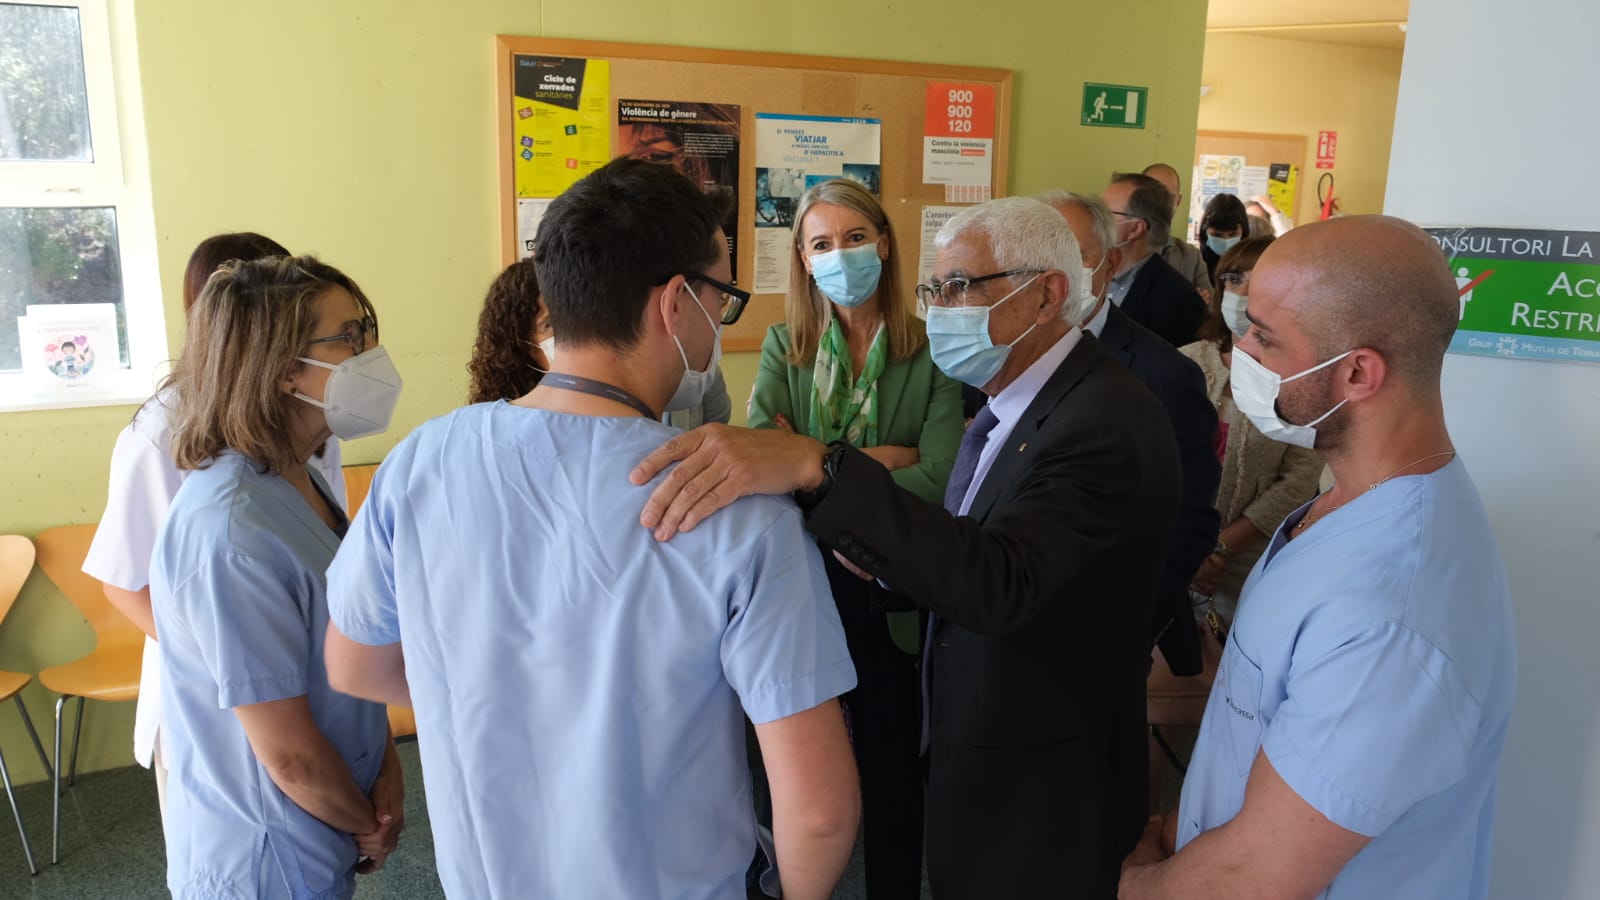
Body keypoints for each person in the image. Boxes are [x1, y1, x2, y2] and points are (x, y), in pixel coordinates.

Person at [323, 158, 859, 900]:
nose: (719, 323)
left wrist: (504, 686)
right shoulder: (735, 504)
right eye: (722, 299)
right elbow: (822, 812)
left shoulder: (423, 460)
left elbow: (354, 666)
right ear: (676, 303)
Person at [632, 196, 1183, 899]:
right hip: (985, 759)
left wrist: (818, 464)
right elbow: (964, 542)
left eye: (960, 288)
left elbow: (999, 579)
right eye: (935, 289)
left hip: (1047, 791)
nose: (943, 308)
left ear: (1045, 294)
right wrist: (890, 562)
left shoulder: (1100, 421)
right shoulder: (1011, 409)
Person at [1120, 216, 1517, 899]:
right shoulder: (1346, 506)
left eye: (1264, 337)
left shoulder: (1393, 610)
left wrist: (1135, 885)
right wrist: (1180, 835)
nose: (1239, 348)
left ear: (1358, 372)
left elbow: (1257, 876)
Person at [149, 255, 404, 899]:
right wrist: (367, 822)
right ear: (286, 367)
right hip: (264, 857)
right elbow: (286, 753)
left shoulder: (299, 478)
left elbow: (343, 643)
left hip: (321, 821)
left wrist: (386, 773)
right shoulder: (230, 530)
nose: (370, 351)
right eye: (348, 337)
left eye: (366, 328)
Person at [82, 232, 348, 823]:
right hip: (214, 699)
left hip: (300, 686)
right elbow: (124, 581)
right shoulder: (161, 431)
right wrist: (235, 667)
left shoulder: (312, 419)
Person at [747, 178, 962, 900]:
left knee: (893, 768)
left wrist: (815, 461)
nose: (840, 255)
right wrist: (878, 462)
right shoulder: (786, 346)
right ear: (804, 261)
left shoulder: (932, 352)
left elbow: (938, 480)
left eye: (854, 238)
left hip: (891, 591)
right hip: (803, 586)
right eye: (822, 244)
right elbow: (760, 467)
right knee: (800, 777)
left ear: (886, 243)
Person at [1038, 190, 1219, 678]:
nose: (1052, 275)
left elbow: (1189, 521)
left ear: (1110, 262)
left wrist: (1126, 632)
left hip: (1104, 637)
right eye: (1037, 256)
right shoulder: (1005, 352)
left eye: (1072, 255)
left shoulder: (1165, 375)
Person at [1179, 236, 1321, 624]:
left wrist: (1220, 547)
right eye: (1234, 279)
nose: (1241, 293)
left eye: (1258, 282)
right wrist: (1187, 548)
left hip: (1251, 558)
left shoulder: (1302, 378)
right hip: (1172, 549)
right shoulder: (1184, 363)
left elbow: (1299, 479)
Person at [466, 256, 733, 427]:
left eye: (571, 314)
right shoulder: (493, 427)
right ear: (521, 344)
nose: (569, 331)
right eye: (550, 324)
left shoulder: (692, 375)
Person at [1103, 172, 1207, 348]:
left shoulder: (1180, 301)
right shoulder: (1090, 274)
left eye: (1105, 214)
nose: (1095, 221)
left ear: (1136, 228)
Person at [1142, 162, 1211, 299]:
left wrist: (1200, 302)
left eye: (1168, 197)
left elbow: (1209, 306)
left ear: (1178, 201)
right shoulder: (1115, 250)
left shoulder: (1190, 257)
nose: (1159, 203)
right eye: (1152, 194)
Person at [1197, 193, 1249, 283]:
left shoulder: (1250, 263)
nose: (1226, 240)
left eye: (1233, 234)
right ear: (1204, 232)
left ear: (1244, 231)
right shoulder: (1195, 262)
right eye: (1217, 235)